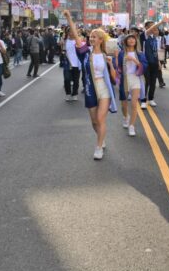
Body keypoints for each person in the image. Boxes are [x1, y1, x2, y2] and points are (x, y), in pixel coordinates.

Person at [66, 12, 118, 160]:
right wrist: (70, 19)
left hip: (104, 89)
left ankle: (98, 147)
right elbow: (76, 37)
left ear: (101, 40)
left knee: (101, 119)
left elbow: (115, 78)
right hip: (90, 89)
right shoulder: (85, 53)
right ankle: (101, 138)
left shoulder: (105, 56)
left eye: (95, 37)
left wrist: (111, 64)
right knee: (94, 122)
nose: (91, 38)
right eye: (91, 37)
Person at [115, 34, 147, 137]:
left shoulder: (140, 54)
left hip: (135, 78)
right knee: (123, 104)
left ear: (136, 41)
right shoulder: (121, 53)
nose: (132, 40)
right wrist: (116, 57)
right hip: (124, 79)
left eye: (133, 39)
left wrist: (133, 59)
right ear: (126, 41)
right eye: (129, 39)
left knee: (134, 104)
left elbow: (144, 66)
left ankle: (132, 125)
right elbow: (117, 67)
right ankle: (125, 117)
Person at [140, 18, 169, 109]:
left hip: (154, 63)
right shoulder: (144, 36)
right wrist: (161, 22)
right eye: (152, 26)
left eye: (154, 26)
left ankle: (151, 99)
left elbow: (155, 51)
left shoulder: (155, 38)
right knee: (146, 82)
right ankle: (143, 100)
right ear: (146, 27)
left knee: (153, 82)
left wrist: (158, 63)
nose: (154, 28)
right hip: (146, 63)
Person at [60, 20, 81, 101]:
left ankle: (75, 93)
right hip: (68, 64)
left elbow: (84, 50)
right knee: (67, 79)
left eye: (73, 32)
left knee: (76, 81)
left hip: (77, 64)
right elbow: (63, 51)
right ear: (68, 33)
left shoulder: (78, 40)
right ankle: (68, 93)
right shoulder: (65, 41)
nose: (72, 33)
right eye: (70, 32)